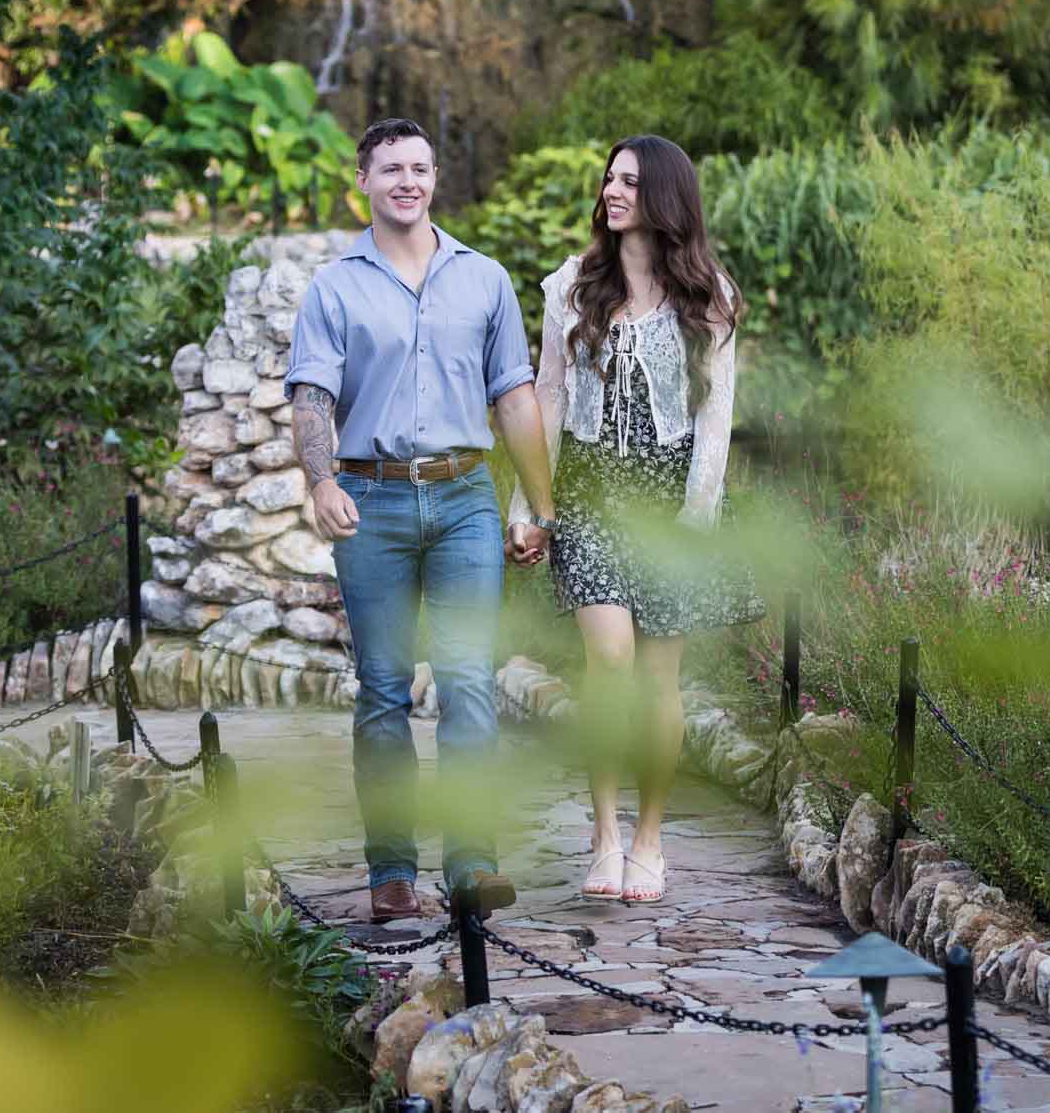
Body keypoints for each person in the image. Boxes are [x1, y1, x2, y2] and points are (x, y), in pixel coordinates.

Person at [286, 117, 559, 924]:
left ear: (435, 179)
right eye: (392, 168)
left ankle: (472, 864)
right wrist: (320, 480)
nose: (409, 180)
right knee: (383, 689)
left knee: (472, 679)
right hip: (372, 502)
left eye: (421, 167)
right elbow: (312, 396)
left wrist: (540, 505)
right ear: (363, 181)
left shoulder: (486, 280)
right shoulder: (335, 288)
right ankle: (392, 872)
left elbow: (514, 395)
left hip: (466, 496)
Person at [506, 134, 764, 906]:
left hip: (670, 503)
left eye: (627, 181)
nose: (611, 191)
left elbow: (715, 419)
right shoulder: (570, 287)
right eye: (608, 179)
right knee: (609, 662)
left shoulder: (709, 297)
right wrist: (528, 504)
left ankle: (650, 837)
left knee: (658, 678)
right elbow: (547, 394)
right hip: (589, 493)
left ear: (664, 197)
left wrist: (695, 520)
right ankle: (608, 832)